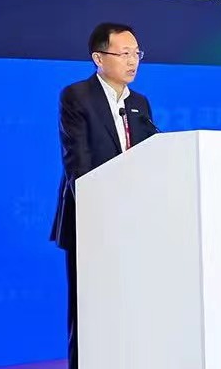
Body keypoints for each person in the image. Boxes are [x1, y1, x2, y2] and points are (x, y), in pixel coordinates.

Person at [50, 22, 158, 369]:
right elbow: (77, 164)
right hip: (91, 223)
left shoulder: (140, 103)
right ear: (99, 58)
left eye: (136, 53)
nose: (132, 61)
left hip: (133, 224)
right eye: (124, 53)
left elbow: (149, 159)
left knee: (130, 309)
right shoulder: (76, 96)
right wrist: (105, 211)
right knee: (89, 313)